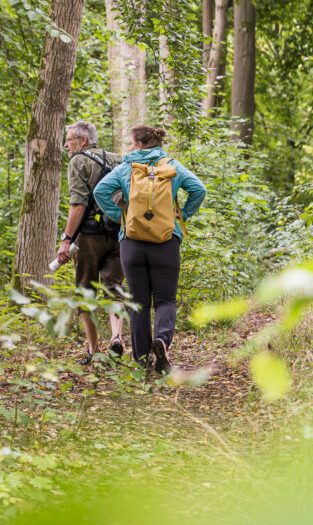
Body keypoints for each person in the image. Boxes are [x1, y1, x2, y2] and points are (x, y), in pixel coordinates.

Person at [93, 125, 206, 375]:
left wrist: (118, 216)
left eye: (131, 144)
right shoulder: (173, 166)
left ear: (141, 145)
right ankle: (163, 342)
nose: (129, 148)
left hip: (132, 243)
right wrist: (180, 217)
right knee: (165, 300)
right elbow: (199, 189)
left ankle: (142, 360)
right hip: (166, 241)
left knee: (138, 302)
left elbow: (100, 191)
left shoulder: (126, 168)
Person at [53, 121, 127, 363]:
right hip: (119, 234)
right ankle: (117, 338)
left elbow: (78, 204)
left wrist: (66, 240)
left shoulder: (78, 161)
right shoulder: (118, 159)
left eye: (69, 139)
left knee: (85, 291)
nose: (66, 144)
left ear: (82, 141)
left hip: (89, 238)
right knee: (114, 288)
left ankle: (93, 351)